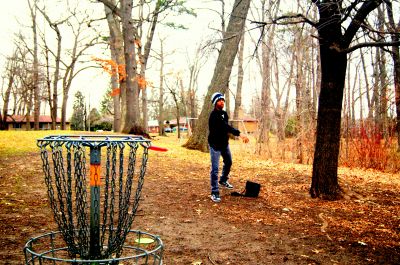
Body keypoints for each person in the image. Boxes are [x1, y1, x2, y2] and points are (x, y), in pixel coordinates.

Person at [208, 92, 249, 203]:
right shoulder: (213, 116)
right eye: (219, 100)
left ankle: (223, 180)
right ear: (215, 102)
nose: (222, 102)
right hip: (215, 145)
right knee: (215, 169)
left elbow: (226, 127)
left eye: (223, 100)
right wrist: (239, 134)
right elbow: (224, 127)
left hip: (224, 144)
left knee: (229, 162)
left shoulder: (224, 114)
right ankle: (214, 192)